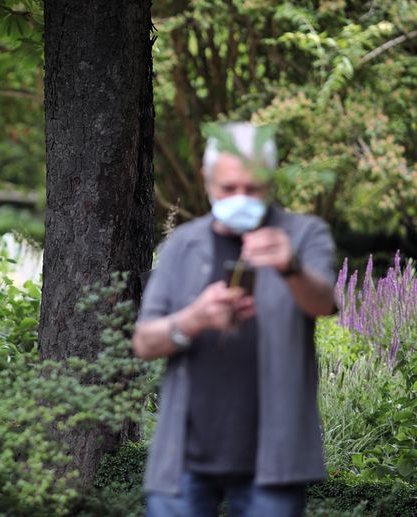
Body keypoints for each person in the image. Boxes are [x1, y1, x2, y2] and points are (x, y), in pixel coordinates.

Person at [133, 122, 337, 517]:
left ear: (271, 183)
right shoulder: (182, 244)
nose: (240, 197)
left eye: (253, 188)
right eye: (228, 188)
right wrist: (193, 319)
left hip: (273, 461)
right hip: (184, 458)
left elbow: (323, 303)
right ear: (207, 181)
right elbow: (144, 343)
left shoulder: (303, 233)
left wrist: (291, 267)